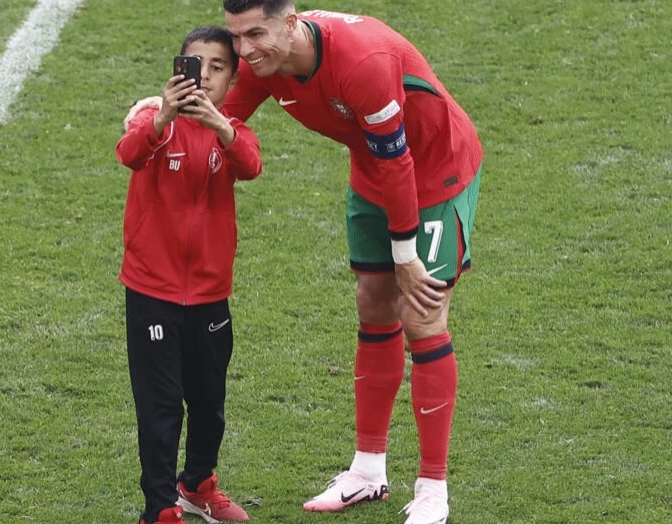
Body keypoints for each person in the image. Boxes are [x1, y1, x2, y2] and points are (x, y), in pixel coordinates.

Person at [125, 2, 482, 523]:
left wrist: (405, 255)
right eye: (236, 37)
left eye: (256, 35)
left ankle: (433, 489)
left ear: (292, 25)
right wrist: (153, 112)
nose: (243, 52)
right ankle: (367, 470)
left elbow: (399, 159)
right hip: (373, 172)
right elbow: (222, 122)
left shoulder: (363, 62)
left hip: (432, 170)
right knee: (373, 304)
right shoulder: (266, 63)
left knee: (422, 314)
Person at [116, 24, 263, 524]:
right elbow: (129, 153)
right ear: (179, 71)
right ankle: (159, 508)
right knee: (160, 410)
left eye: (218, 69)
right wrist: (161, 116)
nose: (206, 78)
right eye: (197, 66)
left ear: (232, 81)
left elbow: (252, 164)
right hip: (152, 292)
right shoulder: (153, 121)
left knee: (208, 402)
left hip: (208, 294)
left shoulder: (232, 130)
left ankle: (197, 484)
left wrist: (221, 126)